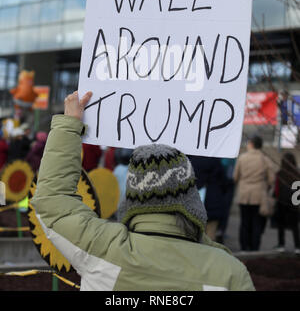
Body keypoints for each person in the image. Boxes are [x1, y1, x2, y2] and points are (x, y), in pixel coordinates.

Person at [31, 91, 255, 291]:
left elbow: (52, 200)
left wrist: (68, 125)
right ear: (191, 198)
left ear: (132, 198)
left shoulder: (102, 247)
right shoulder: (228, 272)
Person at [233, 135, 275, 252]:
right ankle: (254, 248)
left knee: (244, 222)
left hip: (244, 194)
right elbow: (272, 179)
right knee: (257, 223)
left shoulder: (242, 158)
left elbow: (235, 177)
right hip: (259, 195)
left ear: (251, 144)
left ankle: (243, 247)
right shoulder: (265, 159)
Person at [188, 155, 227, 241]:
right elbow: (224, 183)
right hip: (213, 205)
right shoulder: (215, 161)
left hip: (193, 206)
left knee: (193, 236)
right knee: (210, 236)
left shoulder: (190, 160)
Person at [273, 152, 300, 253]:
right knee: (295, 226)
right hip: (294, 202)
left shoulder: (280, 173)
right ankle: (297, 247)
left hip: (282, 202)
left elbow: (276, 190)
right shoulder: (297, 173)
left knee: (281, 225)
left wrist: (276, 198)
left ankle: (281, 245)